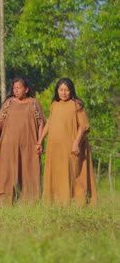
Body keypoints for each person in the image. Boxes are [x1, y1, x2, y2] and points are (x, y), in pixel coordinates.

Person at [36, 78, 97, 206]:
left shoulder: (77, 104)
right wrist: (40, 141)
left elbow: (84, 126)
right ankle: (56, 202)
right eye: (61, 90)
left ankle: (76, 202)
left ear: (71, 91)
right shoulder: (54, 104)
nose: (63, 93)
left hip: (70, 147)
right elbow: (49, 123)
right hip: (54, 147)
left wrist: (76, 143)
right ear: (57, 91)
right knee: (56, 173)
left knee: (73, 173)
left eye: (66, 90)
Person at [0, 77, 45, 206]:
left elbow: (41, 124)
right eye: (14, 88)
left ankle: (29, 201)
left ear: (26, 89)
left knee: (29, 170)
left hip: (29, 145)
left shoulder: (34, 103)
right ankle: (4, 200)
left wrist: (39, 142)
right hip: (8, 144)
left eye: (19, 88)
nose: (16, 90)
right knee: (6, 171)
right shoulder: (8, 103)